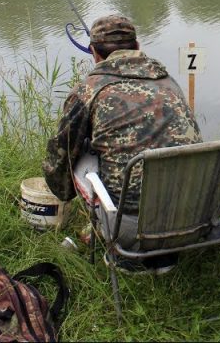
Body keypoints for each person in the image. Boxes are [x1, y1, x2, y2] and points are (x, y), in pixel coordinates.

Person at [43, 14, 201, 271]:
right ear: (138, 46)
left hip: (131, 231)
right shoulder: (169, 82)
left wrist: (63, 192)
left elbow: (60, 156)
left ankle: (124, 252)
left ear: (94, 53)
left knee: (81, 154)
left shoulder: (88, 91)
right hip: (194, 216)